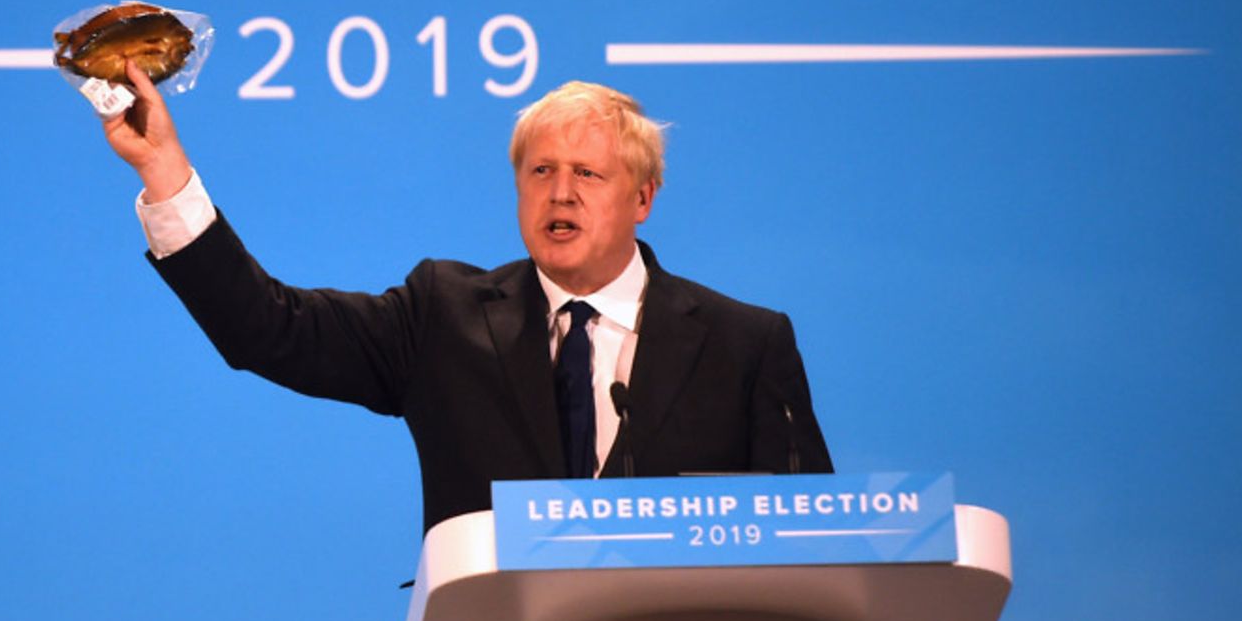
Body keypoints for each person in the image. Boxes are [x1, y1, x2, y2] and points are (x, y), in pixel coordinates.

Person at [101, 62, 832, 534]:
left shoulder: (744, 345)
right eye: (541, 170)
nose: (561, 192)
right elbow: (266, 329)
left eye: (588, 173)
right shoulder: (443, 316)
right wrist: (166, 171)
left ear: (644, 197)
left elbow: (816, 545)